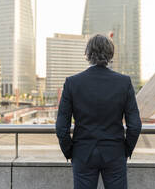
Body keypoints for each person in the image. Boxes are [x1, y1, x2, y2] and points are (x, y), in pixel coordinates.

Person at [56, 34, 142, 189]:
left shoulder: (72, 83)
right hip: (114, 152)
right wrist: (124, 150)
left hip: (83, 152)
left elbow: (61, 128)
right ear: (110, 55)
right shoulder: (124, 83)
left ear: (88, 54)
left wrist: (71, 151)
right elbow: (135, 126)